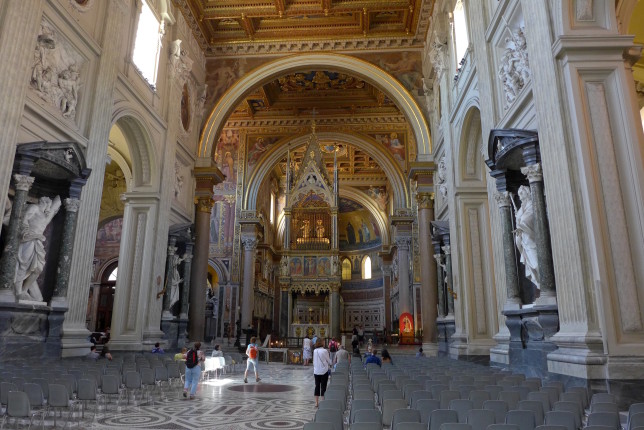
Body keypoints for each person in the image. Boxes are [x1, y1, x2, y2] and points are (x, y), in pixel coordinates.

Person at [14, 195, 62, 301]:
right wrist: (26, 233)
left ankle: (24, 290)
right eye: (48, 205)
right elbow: (24, 220)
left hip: (38, 241)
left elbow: (53, 210)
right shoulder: (34, 208)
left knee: (38, 269)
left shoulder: (44, 215)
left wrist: (55, 205)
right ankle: (18, 292)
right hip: (28, 239)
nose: (49, 208)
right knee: (23, 265)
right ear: (44, 202)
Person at [514, 185, 540, 288]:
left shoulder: (531, 205)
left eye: (522, 193)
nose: (520, 196)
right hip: (524, 241)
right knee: (531, 263)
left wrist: (521, 224)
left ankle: (544, 283)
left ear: (528, 193)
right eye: (519, 194)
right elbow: (520, 221)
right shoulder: (521, 209)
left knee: (537, 264)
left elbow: (529, 218)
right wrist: (517, 218)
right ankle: (540, 283)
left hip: (532, 239)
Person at [312, 338, 332, 408]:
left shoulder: (315, 351)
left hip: (316, 371)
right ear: (322, 343)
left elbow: (314, 361)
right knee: (323, 386)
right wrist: (331, 362)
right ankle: (322, 402)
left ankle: (316, 402)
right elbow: (329, 361)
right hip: (324, 371)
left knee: (317, 386)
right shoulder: (324, 351)